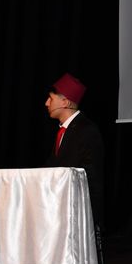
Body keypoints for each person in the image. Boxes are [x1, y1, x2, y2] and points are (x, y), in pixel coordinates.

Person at [45, 73, 106, 225]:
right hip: (60, 208)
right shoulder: (63, 131)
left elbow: (91, 176)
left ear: (64, 102)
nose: (46, 103)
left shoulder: (86, 130)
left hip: (78, 212)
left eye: (51, 98)